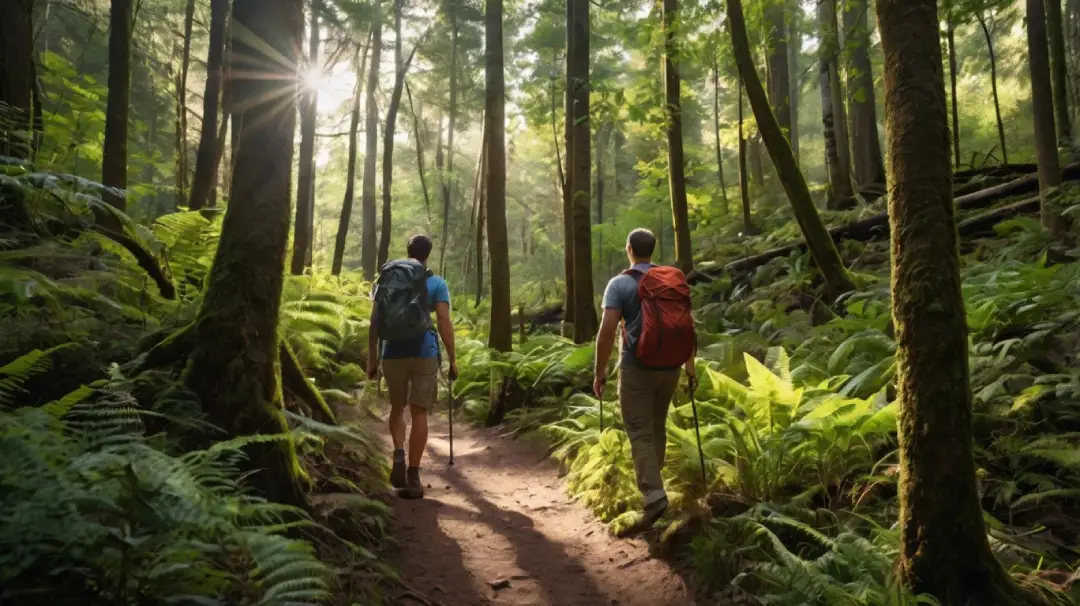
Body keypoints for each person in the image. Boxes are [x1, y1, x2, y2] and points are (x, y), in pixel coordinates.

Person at [592, 228, 697, 529]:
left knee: (638, 431)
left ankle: (653, 495)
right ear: (653, 250)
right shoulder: (672, 281)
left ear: (629, 249)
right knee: (656, 427)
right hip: (671, 366)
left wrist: (600, 372)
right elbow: (685, 325)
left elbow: (608, 330)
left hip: (636, 367)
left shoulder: (619, 284)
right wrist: (690, 369)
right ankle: (656, 487)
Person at [367, 235, 457, 499]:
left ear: (407, 252)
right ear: (428, 253)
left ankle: (398, 453)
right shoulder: (436, 283)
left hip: (392, 351)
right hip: (424, 352)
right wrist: (453, 358)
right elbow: (443, 322)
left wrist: (371, 360)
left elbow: (374, 323)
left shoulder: (385, 281)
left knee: (397, 407)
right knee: (419, 413)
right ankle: (414, 476)